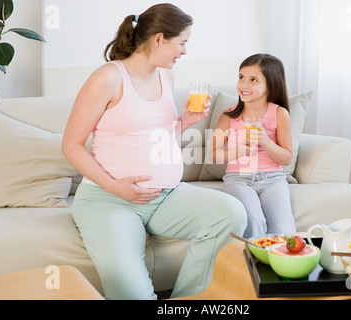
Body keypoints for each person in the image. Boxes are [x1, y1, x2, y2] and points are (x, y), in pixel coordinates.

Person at [62, 3, 246, 300]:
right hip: (108, 200)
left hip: (165, 196)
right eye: (182, 43)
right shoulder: (108, 77)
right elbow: (70, 145)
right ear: (159, 39)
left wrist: (185, 121)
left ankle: (185, 300)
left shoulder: (165, 76)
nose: (184, 51)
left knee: (231, 212)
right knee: (132, 295)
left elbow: (156, 137)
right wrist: (114, 186)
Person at [211, 53, 295, 238]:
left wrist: (266, 141)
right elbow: (213, 154)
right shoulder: (228, 115)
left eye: (253, 80)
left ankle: (279, 265)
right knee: (254, 222)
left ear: (270, 85)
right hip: (238, 179)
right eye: (241, 77)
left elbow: (287, 158)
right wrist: (239, 150)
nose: (244, 85)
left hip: (273, 179)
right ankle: (250, 265)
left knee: (283, 231)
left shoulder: (280, 114)